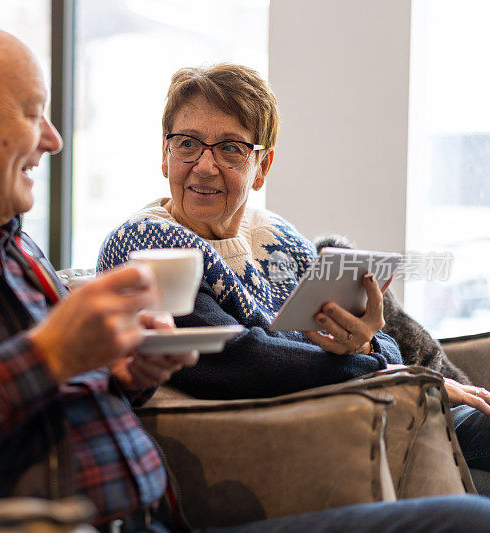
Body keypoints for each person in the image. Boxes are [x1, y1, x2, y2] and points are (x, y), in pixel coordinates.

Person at [0, 21, 490, 532]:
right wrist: (47, 356)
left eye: (230, 148)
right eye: (35, 113)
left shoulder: (17, 254)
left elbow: (59, 397)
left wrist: (128, 373)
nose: (54, 138)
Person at [97, 63, 490, 478]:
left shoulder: (275, 235)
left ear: (262, 167)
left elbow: (378, 345)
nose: (205, 166)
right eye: (188, 144)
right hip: (323, 436)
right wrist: (390, 374)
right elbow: (240, 360)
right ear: (165, 154)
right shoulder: (146, 245)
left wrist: (368, 349)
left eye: (231, 148)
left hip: (380, 413)